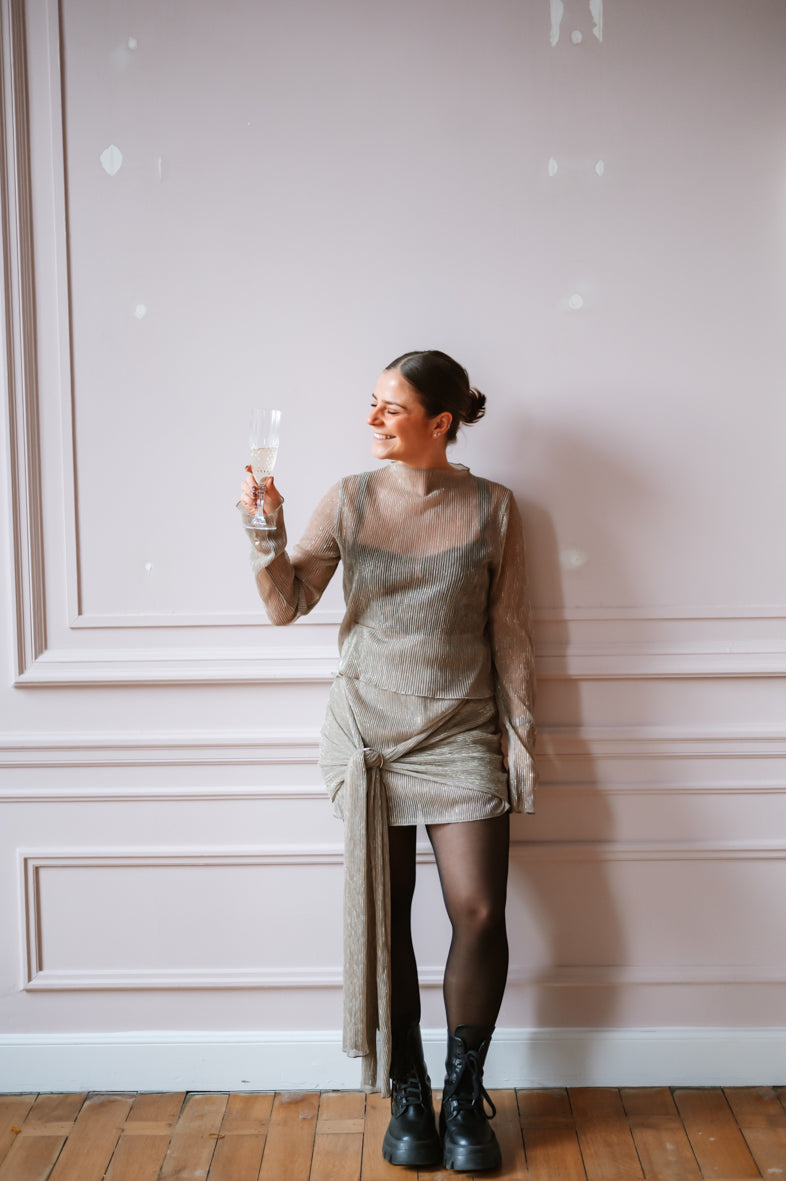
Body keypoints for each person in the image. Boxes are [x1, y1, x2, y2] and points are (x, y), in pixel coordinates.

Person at [239, 350, 536, 1173]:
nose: (372, 419)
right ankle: (410, 1091)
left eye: (390, 407)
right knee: (388, 913)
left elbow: (510, 634)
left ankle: (463, 1092)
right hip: (368, 735)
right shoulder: (350, 498)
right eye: (371, 402)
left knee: (480, 911)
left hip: (461, 731)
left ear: (439, 422)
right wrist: (264, 530)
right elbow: (288, 603)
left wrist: (518, 743)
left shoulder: (495, 507)